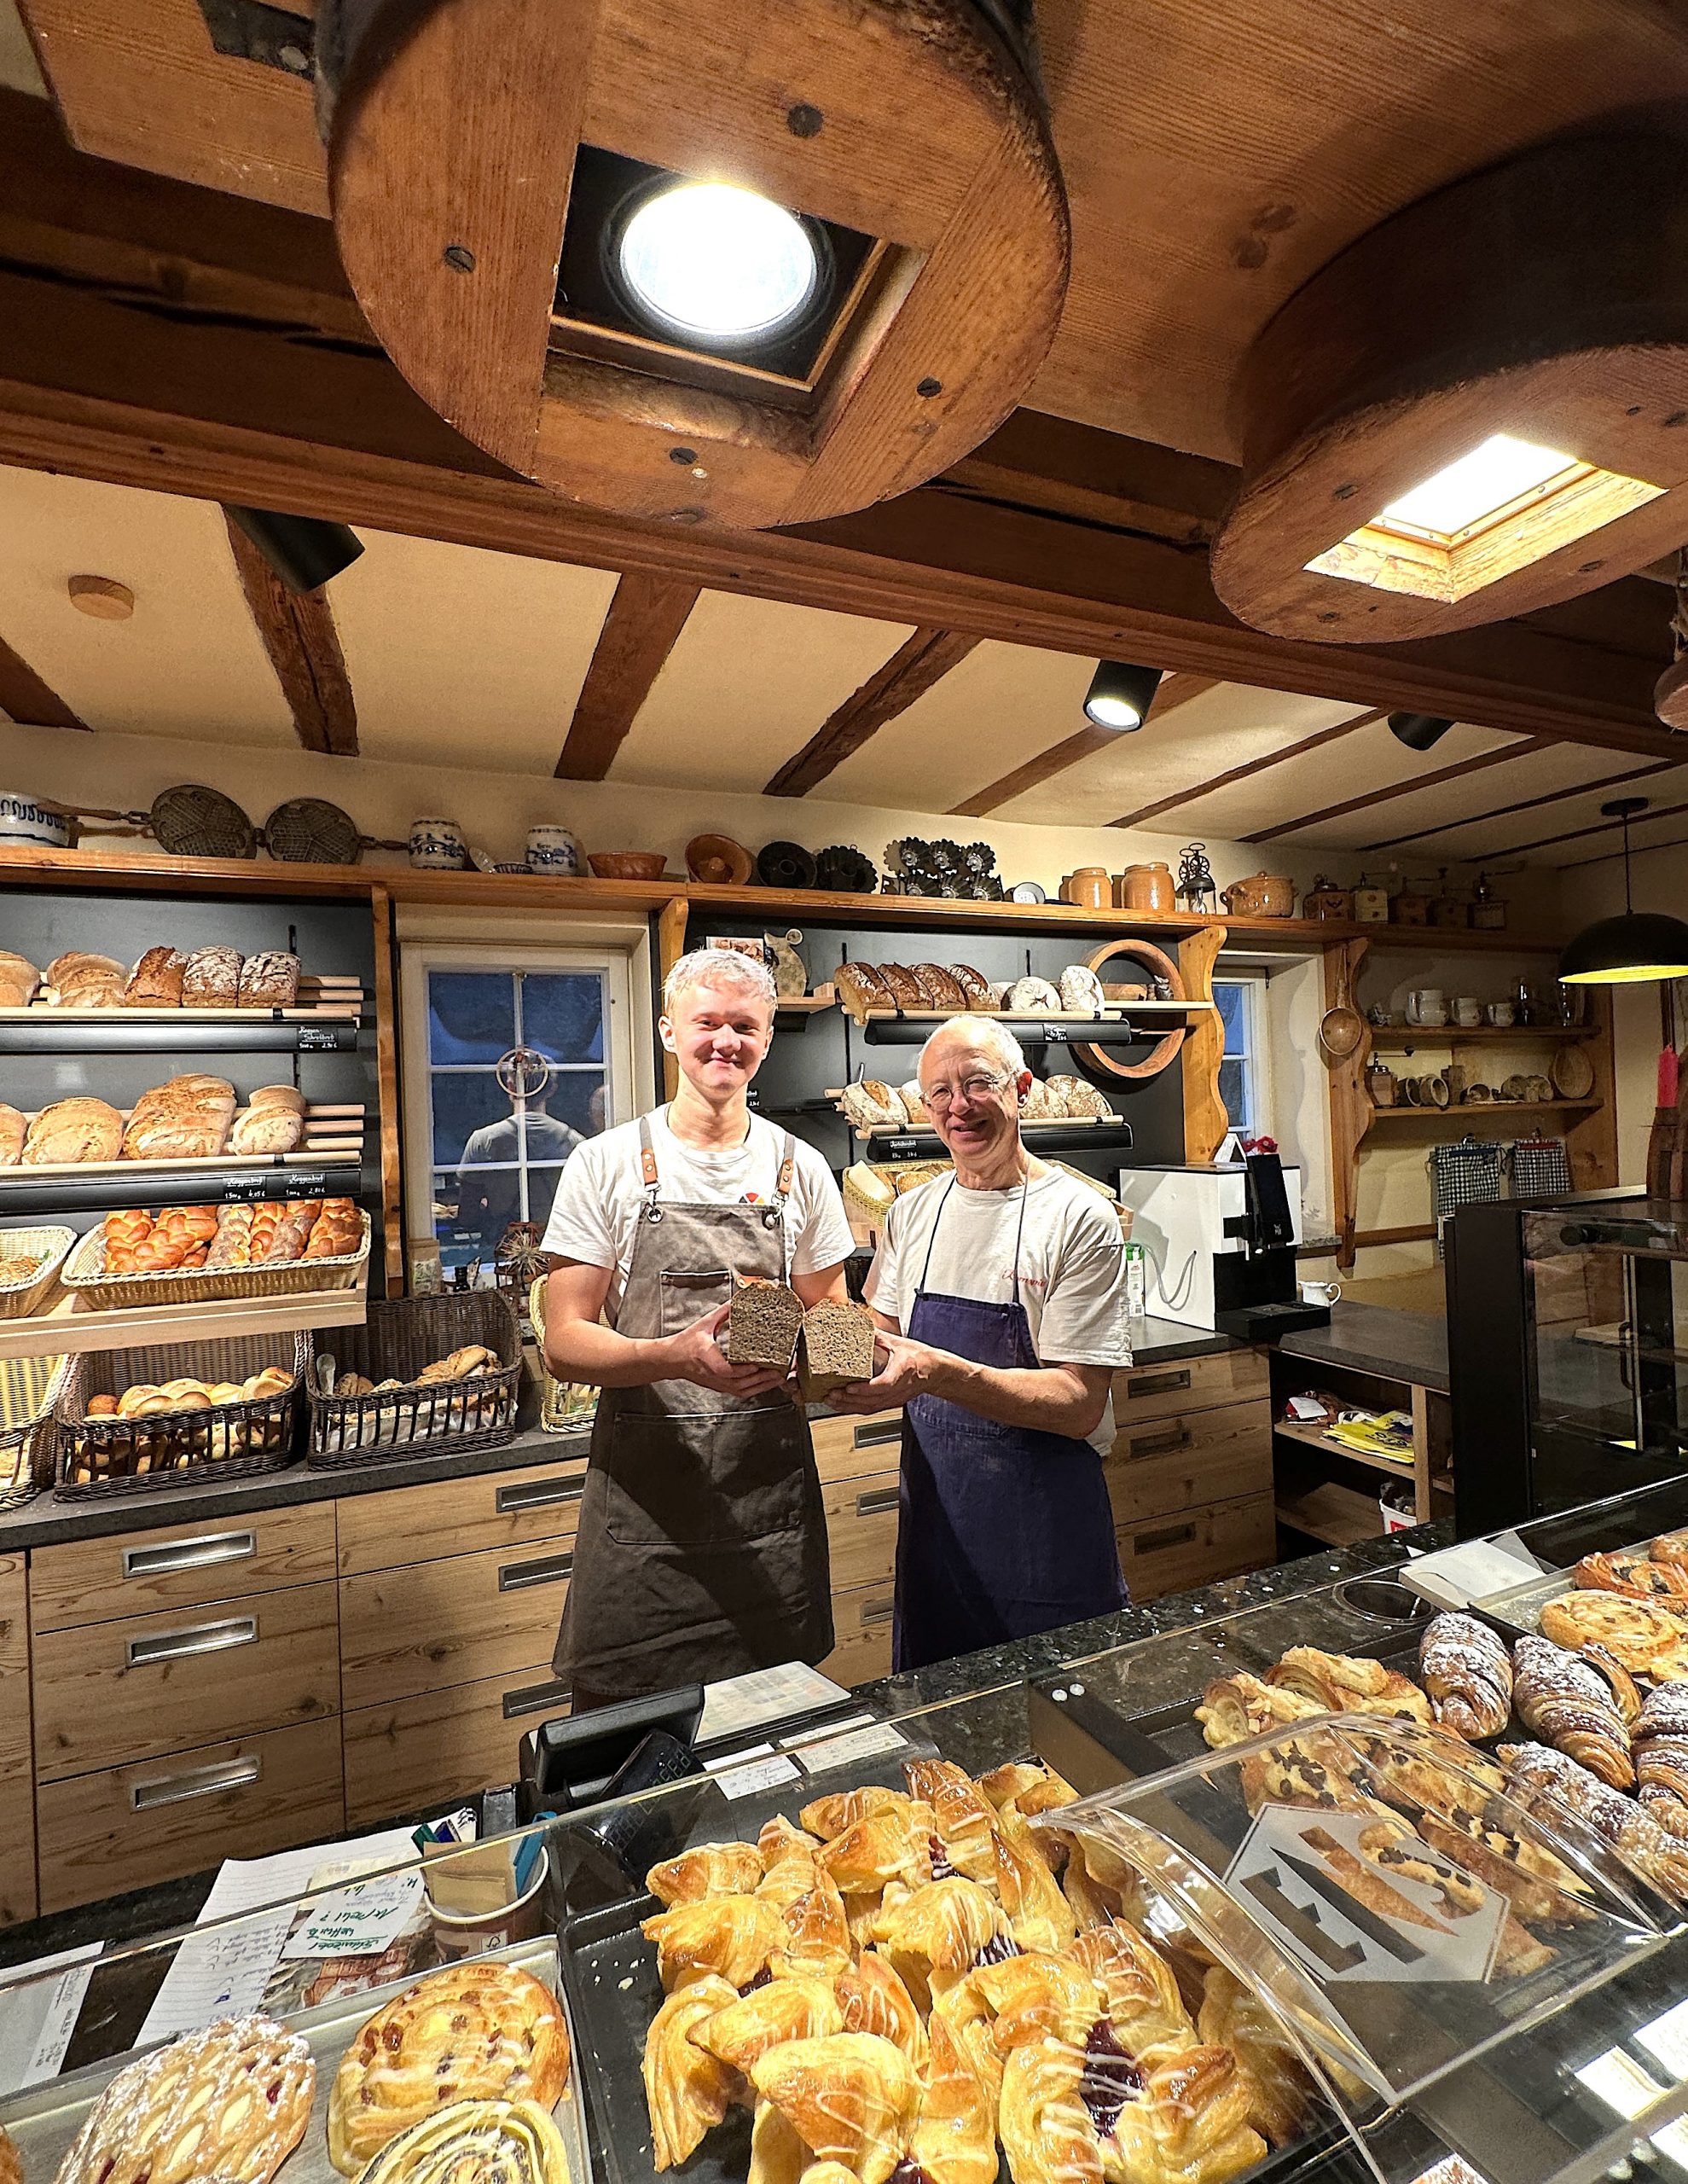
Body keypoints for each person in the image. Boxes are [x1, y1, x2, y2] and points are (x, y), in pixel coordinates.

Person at [540, 946, 856, 1707]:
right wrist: (672, 1356)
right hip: (645, 1515)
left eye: (744, 1026)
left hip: (765, 1510)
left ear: (767, 1039)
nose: (725, 1041)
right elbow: (563, 1341)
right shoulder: (606, 1163)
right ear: (668, 1032)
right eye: (705, 1022)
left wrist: (830, 1361)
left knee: (772, 1748)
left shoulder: (799, 1168)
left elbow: (835, 1323)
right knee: (627, 1747)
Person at [831, 1015, 1130, 1670]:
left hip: (1046, 1538)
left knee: (1065, 1738)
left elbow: (1079, 1402)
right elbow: (881, 1336)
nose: (957, 1107)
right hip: (937, 1533)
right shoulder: (911, 1213)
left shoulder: (1078, 1218)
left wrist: (937, 1372)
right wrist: (796, 1347)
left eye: (977, 1085)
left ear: (1020, 1089)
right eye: (938, 1092)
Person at [456, 1082, 586, 1261]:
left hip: (501, 1253)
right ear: (552, 1088)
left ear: (510, 1085)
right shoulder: (575, 1142)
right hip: (559, 1252)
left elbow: (467, 1215)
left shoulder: (484, 1140)